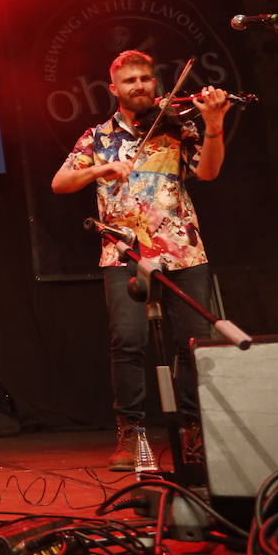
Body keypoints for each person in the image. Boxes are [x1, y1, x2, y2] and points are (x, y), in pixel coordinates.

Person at [51, 50, 230, 470]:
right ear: (113, 89)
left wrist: (214, 126)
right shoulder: (97, 138)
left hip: (183, 250)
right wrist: (99, 171)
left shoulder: (178, 127)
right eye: (130, 81)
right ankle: (131, 432)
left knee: (193, 342)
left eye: (145, 79)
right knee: (128, 342)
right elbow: (60, 182)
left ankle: (194, 430)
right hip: (124, 251)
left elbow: (207, 173)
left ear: (155, 83)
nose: (139, 86)